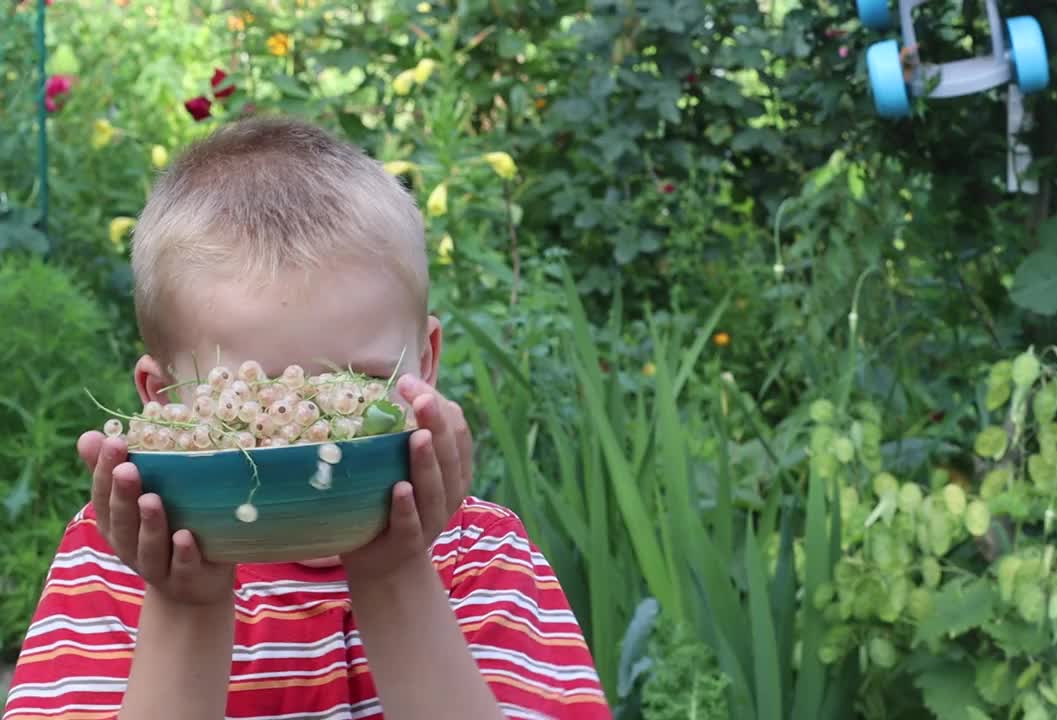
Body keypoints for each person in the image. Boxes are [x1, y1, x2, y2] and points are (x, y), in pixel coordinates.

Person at [2, 116, 611, 720]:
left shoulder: (482, 558)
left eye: (362, 385)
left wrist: (395, 574)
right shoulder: (113, 563)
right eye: (253, 400)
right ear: (163, 402)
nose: (318, 449)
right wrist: (185, 607)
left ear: (425, 366)